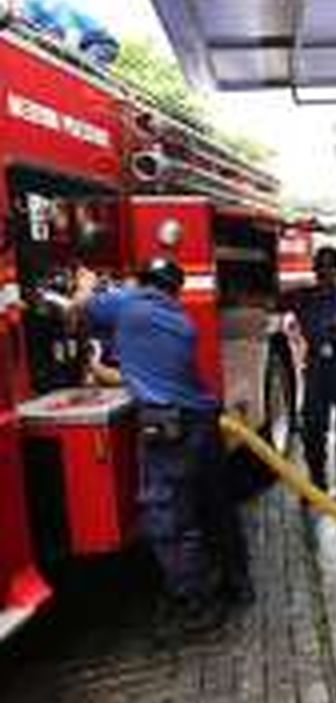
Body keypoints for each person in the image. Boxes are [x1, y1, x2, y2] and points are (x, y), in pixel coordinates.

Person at [73, 258, 251, 630]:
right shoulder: (177, 317)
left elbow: (79, 309)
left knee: (169, 518)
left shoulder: (127, 304)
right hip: (204, 422)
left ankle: (196, 603)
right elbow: (146, 368)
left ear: (140, 281)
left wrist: (87, 283)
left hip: (171, 430)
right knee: (216, 507)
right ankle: (238, 584)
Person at [281, 247, 336, 504]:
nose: (325, 273)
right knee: (313, 429)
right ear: (315, 271)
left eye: (330, 268)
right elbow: (273, 300)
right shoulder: (305, 297)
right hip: (318, 369)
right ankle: (317, 482)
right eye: (320, 268)